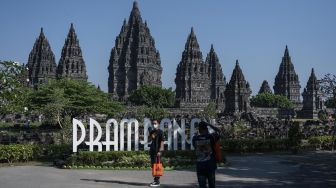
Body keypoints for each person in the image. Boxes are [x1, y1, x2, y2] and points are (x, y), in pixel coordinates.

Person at [192, 121, 222, 188]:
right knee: (212, 185)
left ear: (199, 130)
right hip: (210, 165)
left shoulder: (194, 139)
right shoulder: (211, 137)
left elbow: (194, 146)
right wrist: (209, 124)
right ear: (206, 129)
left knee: (202, 186)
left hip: (200, 166)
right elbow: (219, 131)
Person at [148, 120, 164, 187]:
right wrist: (151, 135)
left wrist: (160, 151)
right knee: (153, 166)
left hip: (157, 152)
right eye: (153, 123)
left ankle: (157, 181)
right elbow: (149, 140)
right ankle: (155, 180)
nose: (154, 124)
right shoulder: (152, 131)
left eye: (155, 123)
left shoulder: (160, 132)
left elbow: (162, 141)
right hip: (152, 151)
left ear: (158, 124)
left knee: (157, 166)